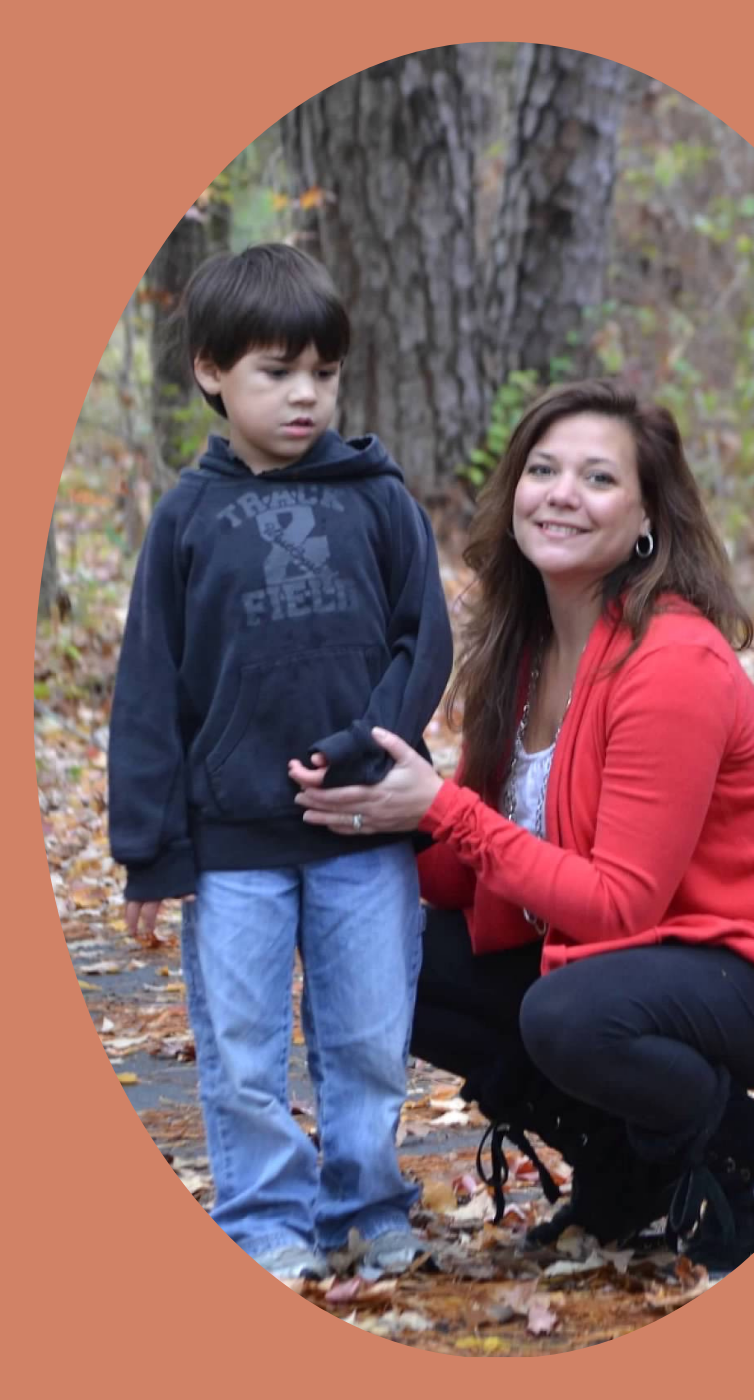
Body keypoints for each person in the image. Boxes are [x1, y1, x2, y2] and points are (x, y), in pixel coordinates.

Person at [290, 379, 754, 1274]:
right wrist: (360, 828)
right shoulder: (524, 648)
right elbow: (473, 873)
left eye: (598, 478)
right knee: (384, 965)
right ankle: (630, 1163)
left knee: (567, 1014)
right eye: (543, 469)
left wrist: (440, 808)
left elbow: (617, 905)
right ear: (515, 492)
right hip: (642, 958)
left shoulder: (672, 659)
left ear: (646, 517)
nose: (562, 493)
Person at [108, 243, 453, 1281]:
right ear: (212, 371)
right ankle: (265, 1217)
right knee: (245, 1044)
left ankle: (366, 1200)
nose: (305, 395)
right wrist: (148, 851)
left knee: (365, 1031)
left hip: (362, 827)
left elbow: (422, 638)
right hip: (232, 844)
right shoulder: (185, 520)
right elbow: (149, 689)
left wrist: (372, 748)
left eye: (324, 371)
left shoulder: (378, 496)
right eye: (275, 370)